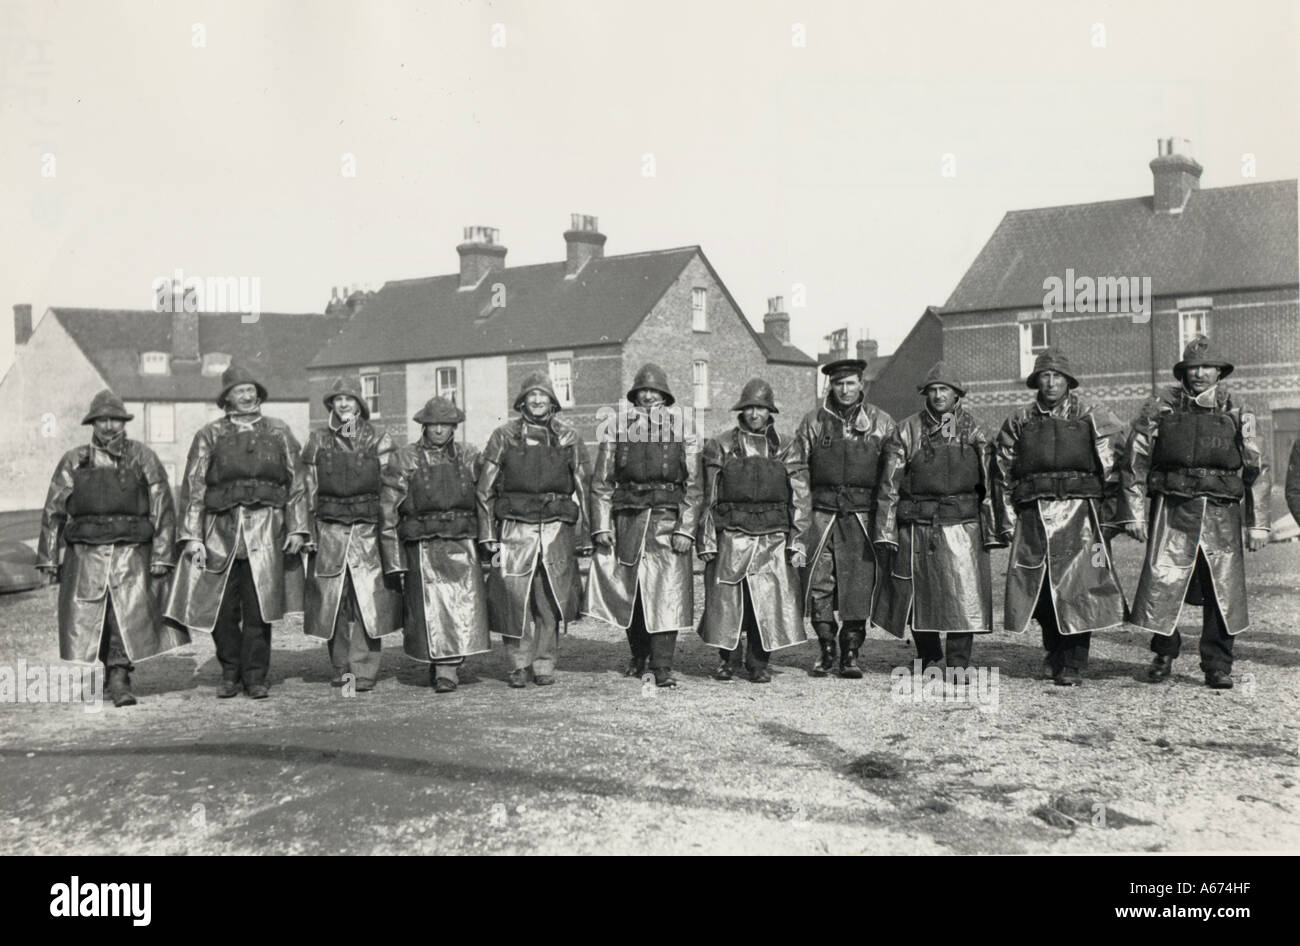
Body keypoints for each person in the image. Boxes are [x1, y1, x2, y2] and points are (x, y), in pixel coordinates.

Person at [1119, 336, 1270, 689]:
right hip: (1173, 510)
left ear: (1220, 371)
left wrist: (1258, 523)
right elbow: (1134, 461)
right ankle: (1164, 652)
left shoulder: (1239, 410)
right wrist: (1134, 512)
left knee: (1222, 590)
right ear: (1184, 371)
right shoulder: (1160, 408)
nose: (1200, 373)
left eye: (1207, 367)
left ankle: (1217, 663)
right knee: (1165, 580)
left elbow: (1258, 466)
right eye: (1193, 367)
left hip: (1221, 512)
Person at [36, 390, 188, 707]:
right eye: (102, 419)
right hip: (85, 555)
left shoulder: (143, 457)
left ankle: (120, 677)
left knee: (124, 617)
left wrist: (162, 555)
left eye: (114, 419)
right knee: (96, 618)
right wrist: (49, 559)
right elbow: (54, 511)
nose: (108, 425)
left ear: (123, 422)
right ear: (92, 423)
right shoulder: (74, 461)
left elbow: (162, 507)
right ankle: (106, 673)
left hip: (130, 553)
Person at [166, 362, 308, 698]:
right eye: (239, 391)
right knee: (221, 610)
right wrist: (193, 537)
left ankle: (256, 676)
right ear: (227, 398)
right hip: (220, 534)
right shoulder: (210, 435)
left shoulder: (279, 431)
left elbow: (298, 483)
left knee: (260, 610)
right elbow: (194, 485)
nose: (246, 396)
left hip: (267, 533)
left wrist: (298, 528)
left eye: (251, 390)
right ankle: (230, 670)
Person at [994, 349, 1127, 686]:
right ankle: (1053, 650)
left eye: (1057, 376)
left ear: (1069, 381)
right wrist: (1007, 518)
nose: (1051, 382)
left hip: (1081, 518)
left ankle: (1074, 662)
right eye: (1045, 376)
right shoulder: (1019, 420)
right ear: (1036, 380)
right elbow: (1002, 470)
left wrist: (1108, 519)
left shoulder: (1092, 414)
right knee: (1038, 591)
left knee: (1082, 587)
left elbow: (1114, 466)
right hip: (1033, 518)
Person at [873, 363, 1003, 669]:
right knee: (920, 595)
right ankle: (928, 656)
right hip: (918, 525)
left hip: (962, 525)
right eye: (932, 390)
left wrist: (995, 528)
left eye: (944, 389)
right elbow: (889, 485)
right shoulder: (906, 430)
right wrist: (885, 530)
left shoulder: (974, 430)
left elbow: (990, 483)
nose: (937, 395)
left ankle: (958, 663)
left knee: (964, 596)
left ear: (957, 394)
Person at [585, 364, 700, 688]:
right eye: (643, 391)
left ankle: (662, 666)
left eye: (655, 392)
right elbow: (602, 481)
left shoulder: (684, 429)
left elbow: (694, 485)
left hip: (667, 520)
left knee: (667, 594)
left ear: (665, 396)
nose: (649, 397)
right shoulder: (616, 429)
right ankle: (639, 656)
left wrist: (685, 529)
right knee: (631, 593)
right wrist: (601, 525)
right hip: (628, 519)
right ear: (635, 395)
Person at [476, 372, 592, 687]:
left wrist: (589, 533)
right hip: (513, 530)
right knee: (513, 599)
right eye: (532, 395)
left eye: (543, 395)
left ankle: (544, 663)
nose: (538, 400)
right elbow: (484, 488)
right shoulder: (503, 436)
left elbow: (585, 486)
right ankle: (517, 663)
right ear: (523, 400)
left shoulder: (569, 437)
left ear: (552, 400)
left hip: (556, 530)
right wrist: (487, 533)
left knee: (549, 600)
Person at [697, 378, 810, 683]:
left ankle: (758, 663)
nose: (754, 414)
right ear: (741, 410)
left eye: (760, 408)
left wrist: (797, 540)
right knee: (728, 600)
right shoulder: (720, 445)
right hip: (732, 535)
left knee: (769, 601)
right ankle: (727, 660)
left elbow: (800, 495)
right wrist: (706, 538)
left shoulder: (786, 446)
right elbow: (708, 495)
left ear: (769, 411)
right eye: (749, 408)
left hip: (773, 537)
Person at [794, 357, 895, 677]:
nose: (845, 389)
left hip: (861, 517)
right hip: (822, 516)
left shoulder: (882, 423)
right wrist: (801, 520)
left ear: (861, 384)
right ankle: (826, 650)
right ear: (831, 386)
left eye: (851, 383)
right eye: (839, 383)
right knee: (819, 584)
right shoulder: (813, 422)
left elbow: (890, 478)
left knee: (857, 586)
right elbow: (797, 471)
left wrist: (885, 526)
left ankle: (850, 652)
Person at [383, 396, 491, 693]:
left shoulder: (469, 456)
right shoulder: (405, 458)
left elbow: (485, 497)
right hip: (422, 545)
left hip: (461, 541)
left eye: (445, 424)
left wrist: (487, 540)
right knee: (430, 609)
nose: (440, 430)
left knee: (460, 606)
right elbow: (388, 508)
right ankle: (442, 666)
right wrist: (394, 559)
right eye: (434, 425)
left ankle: (449, 667)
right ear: (424, 426)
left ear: (454, 426)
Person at [301, 378, 401, 691]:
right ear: (331, 405)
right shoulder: (317, 440)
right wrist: (305, 529)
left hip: (367, 532)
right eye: (338, 399)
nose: (344, 404)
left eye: (350, 399)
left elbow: (392, 487)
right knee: (334, 604)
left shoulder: (379, 438)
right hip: (330, 531)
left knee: (368, 603)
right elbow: (304, 488)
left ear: (360, 404)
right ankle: (342, 668)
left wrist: (388, 530)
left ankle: (365, 670)